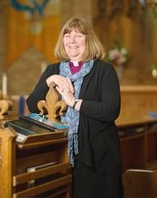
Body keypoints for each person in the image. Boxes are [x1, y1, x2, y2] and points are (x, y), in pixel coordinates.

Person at [26, 17, 123, 198]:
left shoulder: (104, 71)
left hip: (95, 154)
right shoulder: (52, 70)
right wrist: (50, 81)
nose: (72, 40)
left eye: (78, 35)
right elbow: (33, 105)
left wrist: (74, 102)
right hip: (58, 152)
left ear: (89, 40)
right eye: (68, 35)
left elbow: (111, 111)